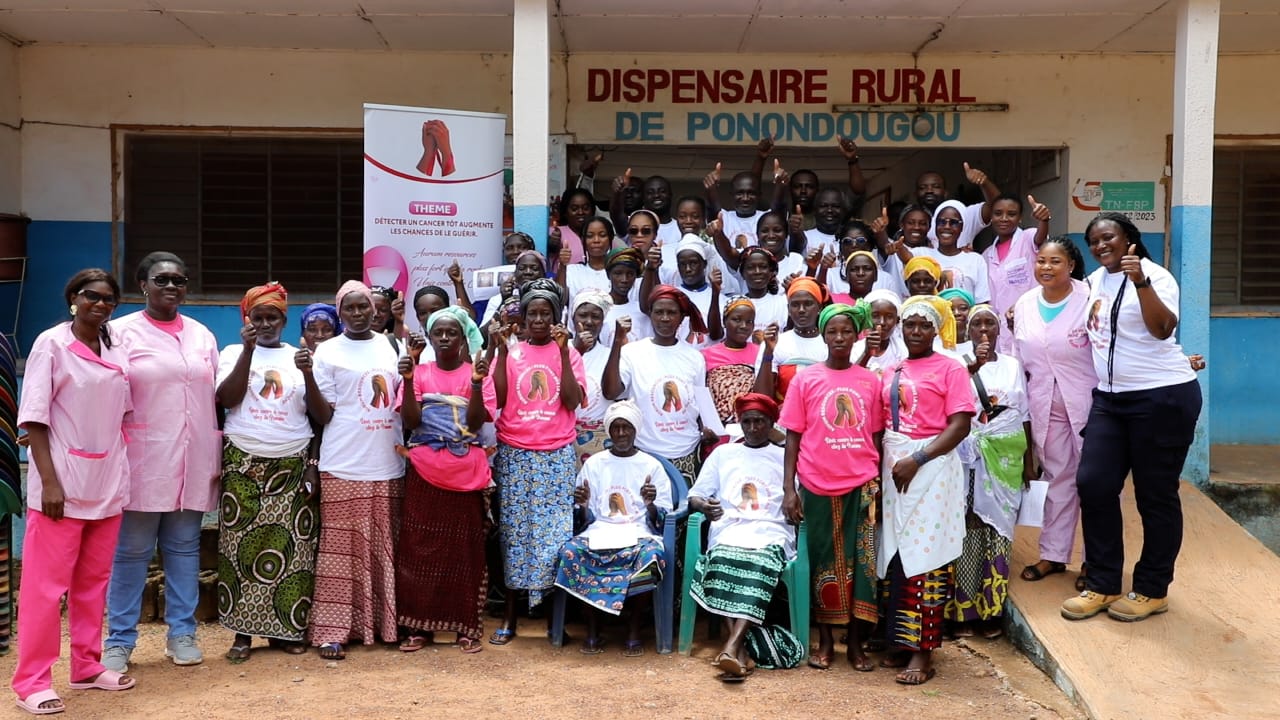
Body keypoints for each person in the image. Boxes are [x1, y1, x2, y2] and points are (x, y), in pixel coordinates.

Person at [1061, 213, 1202, 623]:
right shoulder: (1095, 282)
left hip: (1162, 398)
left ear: (1129, 240)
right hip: (1110, 400)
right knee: (1094, 484)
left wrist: (1140, 281)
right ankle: (1103, 582)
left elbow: (1163, 329)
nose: (1101, 245)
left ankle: (1152, 589)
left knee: (1154, 496)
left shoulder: (1157, 277)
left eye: (1109, 237)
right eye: (1094, 241)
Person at [13, 270, 135, 715]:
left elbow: (121, 412)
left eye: (109, 299)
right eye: (91, 296)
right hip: (61, 485)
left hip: (107, 479)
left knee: (92, 583)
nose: (100, 304)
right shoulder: (51, 344)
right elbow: (35, 418)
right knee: (45, 590)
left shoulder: (116, 348)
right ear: (73, 299)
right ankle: (32, 682)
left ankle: (86, 665)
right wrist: (48, 482)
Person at [105, 252, 220, 673]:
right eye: (162, 279)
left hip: (193, 458)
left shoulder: (201, 335)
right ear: (143, 285)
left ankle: (182, 633)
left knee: (184, 549)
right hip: (142, 458)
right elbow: (107, 394)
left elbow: (215, 396)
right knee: (132, 552)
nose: (171, 286)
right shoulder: (119, 333)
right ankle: (119, 640)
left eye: (179, 280)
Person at [214, 283, 318, 662]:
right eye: (257, 318)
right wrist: (247, 351)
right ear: (247, 319)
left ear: (284, 320)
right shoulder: (231, 353)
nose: (265, 324)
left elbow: (319, 416)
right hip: (243, 461)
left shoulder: (299, 357)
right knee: (239, 548)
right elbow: (227, 399)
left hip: (292, 461)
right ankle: (242, 634)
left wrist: (312, 466)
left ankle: (286, 631)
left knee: (294, 550)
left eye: (272, 317)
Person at [302, 281, 406, 660]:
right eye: (350, 308)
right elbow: (322, 415)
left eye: (364, 307)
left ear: (374, 310)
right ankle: (332, 630)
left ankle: (384, 625)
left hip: (387, 463)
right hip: (343, 464)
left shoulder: (393, 346)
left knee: (384, 549)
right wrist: (308, 375)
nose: (359, 313)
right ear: (340, 312)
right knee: (340, 553)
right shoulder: (328, 351)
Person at [779, 302, 883, 672]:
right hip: (817, 483)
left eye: (846, 331)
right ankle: (824, 641)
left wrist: (880, 483)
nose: (840, 338)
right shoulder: (806, 379)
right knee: (823, 562)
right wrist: (789, 489)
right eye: (833, 332)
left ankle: (854, 643)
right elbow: (793, 436)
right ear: (823, 336)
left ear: (857, 336)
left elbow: (876, 436)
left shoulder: (870, 381)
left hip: (862, 484)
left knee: (861, 566)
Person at [878, 296, 975, 685]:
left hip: (931, 468)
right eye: (910, 324)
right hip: (895, 467)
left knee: (927, 555)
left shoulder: (951, 368)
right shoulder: (892, 369)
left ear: (936, 330)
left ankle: (923, 652)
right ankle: (900, 642)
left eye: (924, 325)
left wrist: (917, 459)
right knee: (897, 554)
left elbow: (960, 425)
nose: (915, 331)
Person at [485, 278, 585, 644]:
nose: (539, 320)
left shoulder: (570, 354)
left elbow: (571, 401)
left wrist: (564, 352)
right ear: (523, 318)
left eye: (546, 314)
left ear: (556, 318)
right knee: (515, 536)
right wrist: (499, 351)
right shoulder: (512, 353)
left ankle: (553, 620)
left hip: (556, 455)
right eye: (533, 314)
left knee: (555, 537)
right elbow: (498, 398)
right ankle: (510, 617)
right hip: (516, 453)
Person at [394, 306, 492, 654]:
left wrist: (476, 384)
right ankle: (419, 627)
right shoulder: (419, 372)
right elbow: (411, 421)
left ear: (464, 338)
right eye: (439, 333)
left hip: (466, 472)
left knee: (465, 552)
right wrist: (408, 380)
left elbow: (476, 423)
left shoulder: (477, 373)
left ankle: (465, 627)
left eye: (452, 333)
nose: (446, 338)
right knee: (419, 549)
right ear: (430, 337)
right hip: (424, 470)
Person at [554, 400, 673, 657]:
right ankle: (592, 628)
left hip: (639, 533)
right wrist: (583, 505)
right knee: (570, 553)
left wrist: (650, 504)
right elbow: (583, 517)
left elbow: (662, 518)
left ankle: (633, 627)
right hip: (600, 531)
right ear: (608, 431)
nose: (621, 433)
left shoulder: (651, 466)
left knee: (651, 558)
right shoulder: (595, 464)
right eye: (616, 428)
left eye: (626, 427)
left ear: (635, 430)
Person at [689, 393, 795, 682]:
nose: (752, 428)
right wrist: (705, 506)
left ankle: (732, 646)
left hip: (770, 530)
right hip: (730, 529)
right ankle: (738, 649)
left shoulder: (783, 456)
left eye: (759, 422)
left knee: (760, 563)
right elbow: (696, 496)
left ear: (771, 423)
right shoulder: (723, 454)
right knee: (718, 560)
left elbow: (797, 499)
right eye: (746, 422)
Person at [944, 304, 1033, 640]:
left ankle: (991, 611)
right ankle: (963, 612)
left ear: (999, 330)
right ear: (967, 330)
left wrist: (1029, 461)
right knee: (967, 525)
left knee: (999, 531)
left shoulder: (1012, 365)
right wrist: (973, 367)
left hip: (1005, 458)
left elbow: (1023, 414)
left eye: (989, 324)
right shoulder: (957, 362)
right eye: (976, 324)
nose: (983, 330)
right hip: (967, 456)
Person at [1013, 237, 1096, 591]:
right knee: (1057, 480)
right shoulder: (1025, 303)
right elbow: (1018, 358)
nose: (1046, 267)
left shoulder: (1090, 299)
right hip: (1045, 403)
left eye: (1055, 261)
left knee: (1095, 482)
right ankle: (1054, 554)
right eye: (1041, 261)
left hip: (1090, 403)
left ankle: (1096, 560)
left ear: (1071, 266)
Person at [603, 285, 710, 485]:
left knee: (684, 504)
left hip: (686, 450)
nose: (665, 318)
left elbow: (700, 402)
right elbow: (610, 392)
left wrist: (708, 429)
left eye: (672, 313)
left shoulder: (694, 357)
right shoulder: (632, 352)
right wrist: (617, 342)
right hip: (645, 450)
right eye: (659, 312)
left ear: (682, 317)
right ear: (650, 314)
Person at [984, 195, 1051, 353]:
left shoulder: (1028, 238)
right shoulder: (986, 255)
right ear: (991, 217)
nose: (1004, 218)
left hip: (1028, 324)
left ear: (1020, 218)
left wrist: (1044, 220)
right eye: (998, 213)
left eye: (1011, 214)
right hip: (998, 331)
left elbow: (1040, 237)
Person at [639, 234, 724, 348]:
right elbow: (645, 307)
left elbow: (716, 335)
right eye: (682, 264)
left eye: (693, 263)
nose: (688, 269)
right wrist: (650, 268)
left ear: (704, 264)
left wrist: (715, 293)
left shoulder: (722, 300)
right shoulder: (671, 296)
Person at [758, 277, 829, 400]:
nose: (801, 310)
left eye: (808, 304)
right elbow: (762, 396)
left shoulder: (829, 343)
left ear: (820, 308)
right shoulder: (775, 343)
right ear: (788, 310)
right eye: (795, 305)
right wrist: (768, 352)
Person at [701, 298, 767, 428]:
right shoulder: (706, 355)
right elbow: (702, 398)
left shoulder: (761, 353)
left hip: (753, 427)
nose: (743, 326)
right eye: (737, 320)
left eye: (749, 322)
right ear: (724, 321)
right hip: (718, 428)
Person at [571, 289, 614, 465]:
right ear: (573, 318)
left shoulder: (610, 355)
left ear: (602, 322)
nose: (589, 322)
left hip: (599, 440)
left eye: (595, 317)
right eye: (583, 315)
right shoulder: (558, 350)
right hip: (563, 435)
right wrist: (577, 351)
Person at [928, 201, 991, 304]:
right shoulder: (923, 255)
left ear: (962, 227)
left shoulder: (975, 260)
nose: (947, 226)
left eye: (953, 222)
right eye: (941, 222)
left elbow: (982, 302)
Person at [480, 250, 548, 330]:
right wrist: (504, 302)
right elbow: (481, 336)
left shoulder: (550, 299)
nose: (528, 272)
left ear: (544, 275)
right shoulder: (497, 300)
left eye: (534, 268)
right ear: (515, 273)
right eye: (522, 268)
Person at [599, 247, 653, 346]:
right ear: (608, 275)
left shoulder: (641, 310)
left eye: (630, 274)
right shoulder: (598, 309)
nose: (624, 279)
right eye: (618, 273)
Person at [558, 216, 616, 304]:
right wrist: (562, 266)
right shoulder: (571, 271)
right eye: (590, 236)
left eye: (602, 235)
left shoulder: (619, 272)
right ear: (582, 240)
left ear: (610, 238)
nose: (596, 240)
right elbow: (559, 299)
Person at [853, 289, 908, 376]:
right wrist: (866, 354)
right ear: (866, 318)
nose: (882, 322)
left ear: (897, 321)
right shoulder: (854, 350)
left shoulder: (903, 352)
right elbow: (850, 379)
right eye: (875, 316)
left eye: (889, 317)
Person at [734, 246, 789, 332]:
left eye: (763, 267)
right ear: (742, 273)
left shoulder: (782, 303)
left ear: (771, 272)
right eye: (750, 267)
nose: (757, 272)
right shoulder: (734, 305)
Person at [939, 288, 976, 359]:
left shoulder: (979, 344)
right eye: (951, 309)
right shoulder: (934, 347)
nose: (957, 313)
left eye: (963, 308)